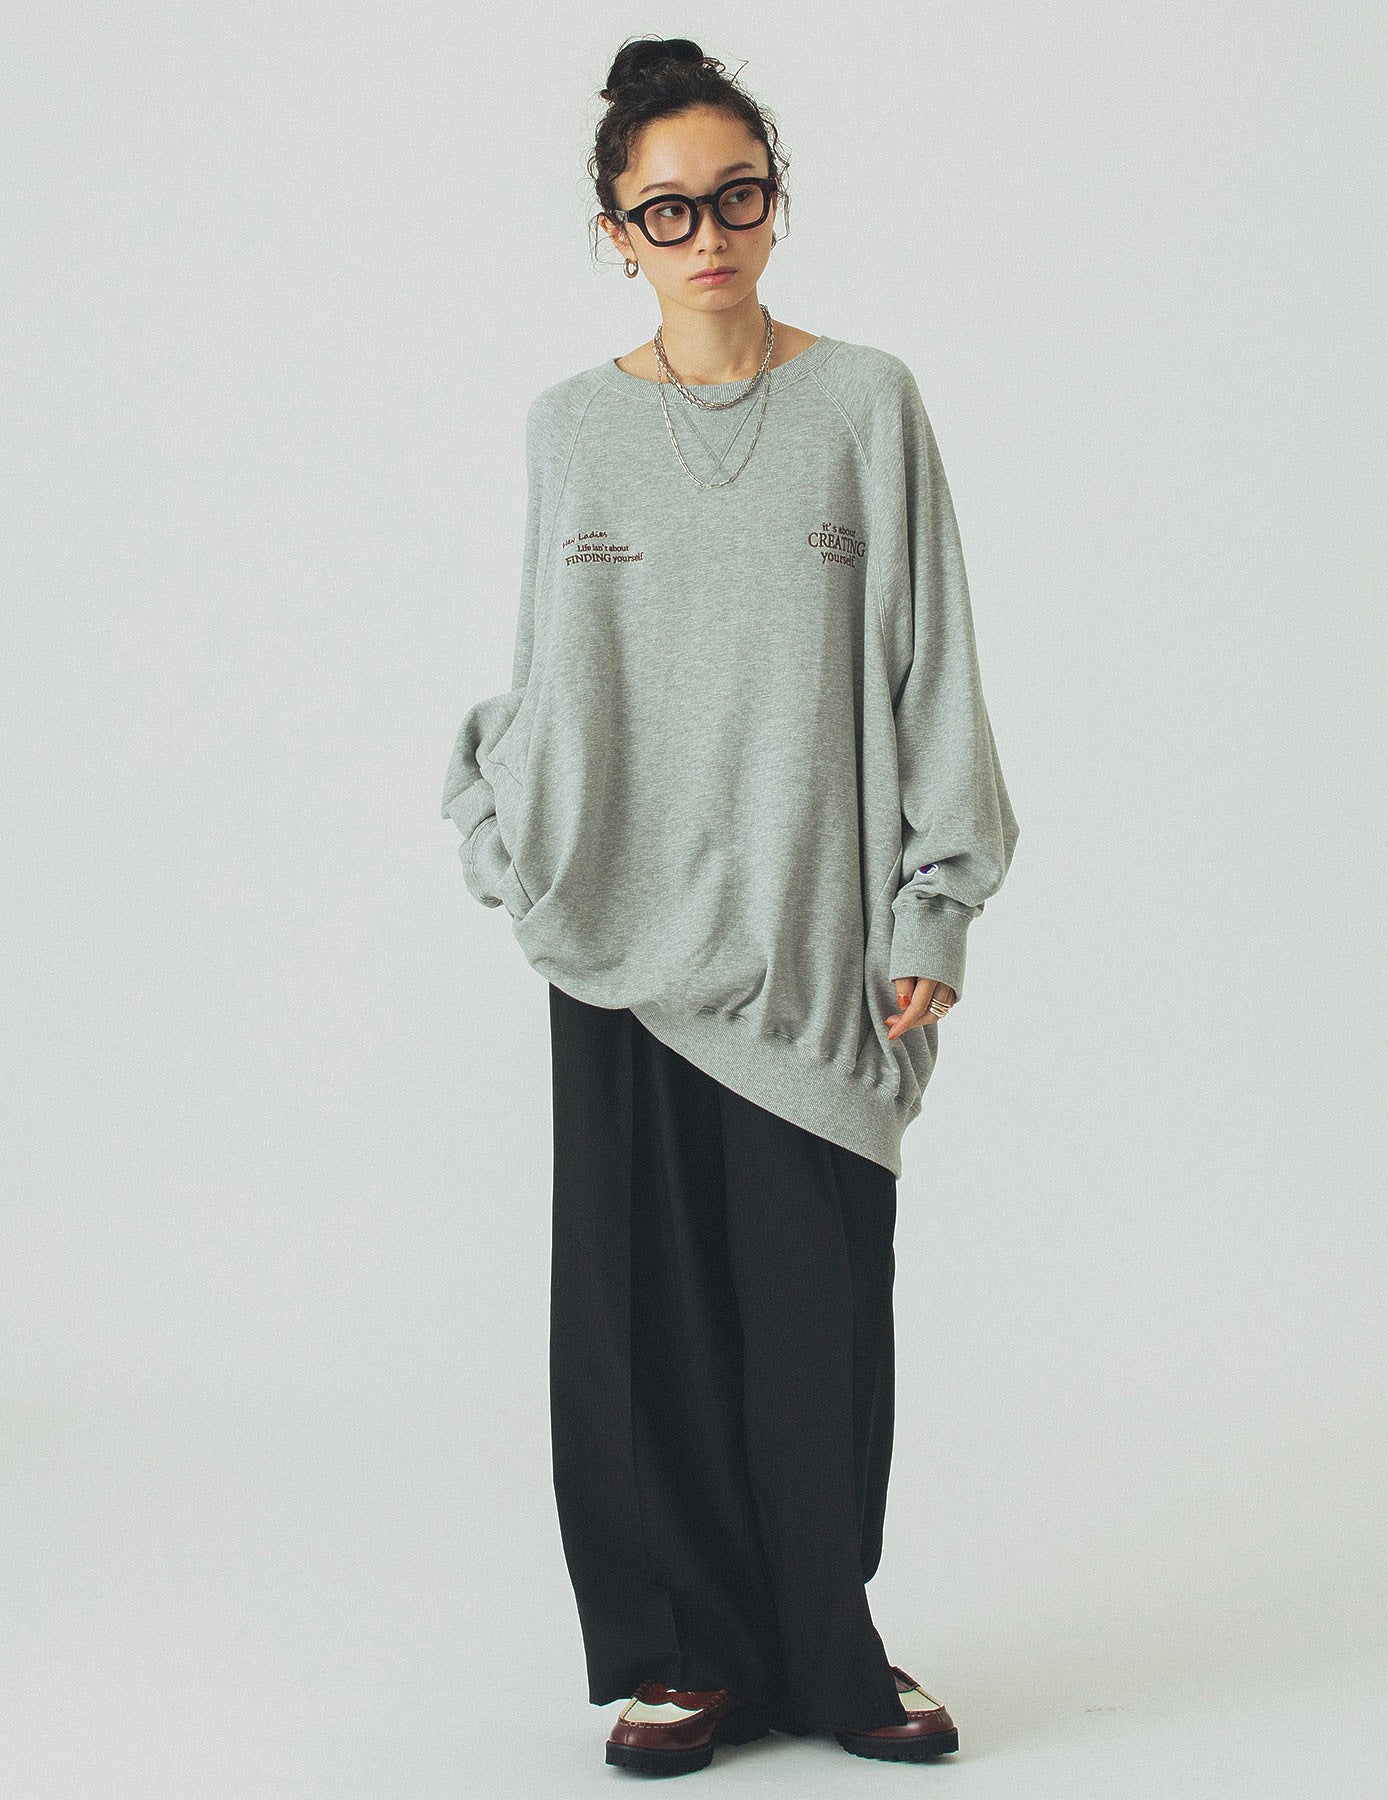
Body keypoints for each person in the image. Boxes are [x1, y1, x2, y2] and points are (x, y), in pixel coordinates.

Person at [440, 34, 1021, 1777]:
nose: (709, 235)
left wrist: (933, 906)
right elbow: (549, 679)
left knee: (818, 1317)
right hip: (620, 938)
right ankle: (684, 1658)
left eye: (737, 197)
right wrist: (507, 835)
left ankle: (831, 1649)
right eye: (668, 209)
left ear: (777, 203)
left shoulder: (866, 405)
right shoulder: (572, 430)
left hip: (808, 941)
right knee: (642, 1322)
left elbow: (933, 670)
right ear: (616, 229)